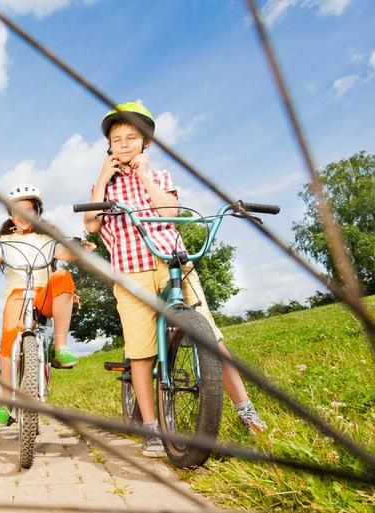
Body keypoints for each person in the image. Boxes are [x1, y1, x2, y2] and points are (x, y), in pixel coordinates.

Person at [81, 101, 267, 457]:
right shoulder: (103, 186)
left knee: (211, 338)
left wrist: (144, 175)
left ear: (145, 143)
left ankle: (247, 412)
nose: (123, 144)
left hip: (173, 262)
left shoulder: (160, 176)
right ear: (108, 146)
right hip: (131, 272)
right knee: (141, 352)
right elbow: (91, 224)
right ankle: (151, 428)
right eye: (116, 139)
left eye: (131, 138)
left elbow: (169, 212)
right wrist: (104, 177)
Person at [0, 184, 86, 427]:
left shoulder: (47, 238)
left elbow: (65, 253)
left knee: (62, 277)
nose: (23, 215)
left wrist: (80, 249)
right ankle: (6, 400)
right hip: (18, 295)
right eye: (16, 211)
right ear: (11, 216)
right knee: (9, 336)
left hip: (45, 294)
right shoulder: (5, 240)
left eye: (29, 210)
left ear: (38, 212)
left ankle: (61, 347)